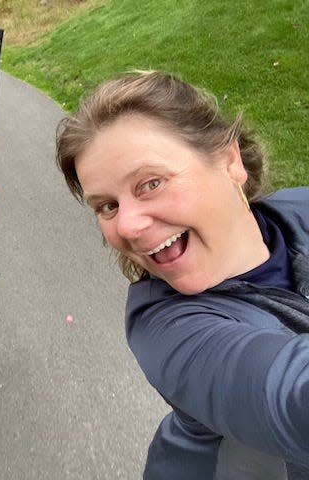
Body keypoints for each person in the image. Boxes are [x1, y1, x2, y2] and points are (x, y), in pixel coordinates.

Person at [56, 70, 309, 479]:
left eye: (150, 183)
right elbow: (289, 396)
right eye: (107, 206)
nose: (127, 227)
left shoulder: (300, 208)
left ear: (230, 162)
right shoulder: (169, 331)